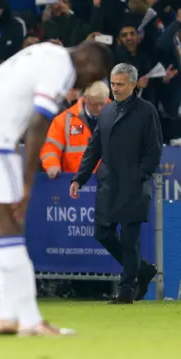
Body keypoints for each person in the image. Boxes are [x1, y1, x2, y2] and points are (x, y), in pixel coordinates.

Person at [0, 41, 113, 336]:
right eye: (92, 76)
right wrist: (27, 181)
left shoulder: (46, 52)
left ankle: (9, 316)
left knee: (8, 228)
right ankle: (30, 320)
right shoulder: (62, 66)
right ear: (87, 60)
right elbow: (39, 121)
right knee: (9, 228)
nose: (85, 84)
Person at [70, 63, 161, 304]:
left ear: (133, 84)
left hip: (133, 184)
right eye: (113, 83)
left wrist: (141, 175)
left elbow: (154, 149)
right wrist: (80, 177)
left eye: (120, 84)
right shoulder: (107, 112)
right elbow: (94, 147)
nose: (116, 88)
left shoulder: (146, 111)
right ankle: (142, 270)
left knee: (130, 239)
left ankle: (125, 290)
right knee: (102, 233)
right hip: (108, 183)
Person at [40, 81, 110, 178]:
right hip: (74, 182)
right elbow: (51, 147)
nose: (99, 108)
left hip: (109, 182)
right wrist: (52, 165)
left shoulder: (118, 117)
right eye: (95, 104)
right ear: (85, 99)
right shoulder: (64, 120)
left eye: (102, 104)